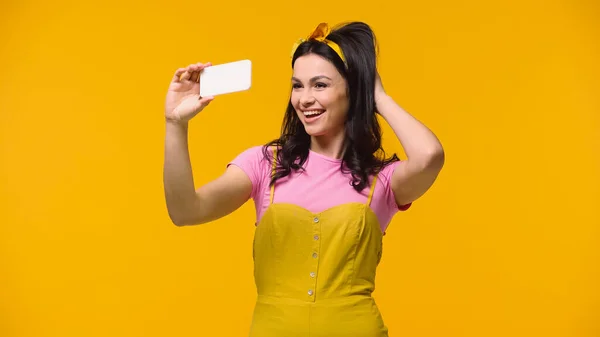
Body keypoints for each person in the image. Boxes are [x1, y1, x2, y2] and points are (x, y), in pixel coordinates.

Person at [163, 21, 444, 337]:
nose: (304, 99)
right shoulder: (265, 164)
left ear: (353, 90)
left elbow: (429, 156)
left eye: (320, 85)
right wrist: (175, 123)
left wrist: (377, 95)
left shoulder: (383, 179)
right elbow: (185, 211)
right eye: (298, 85)